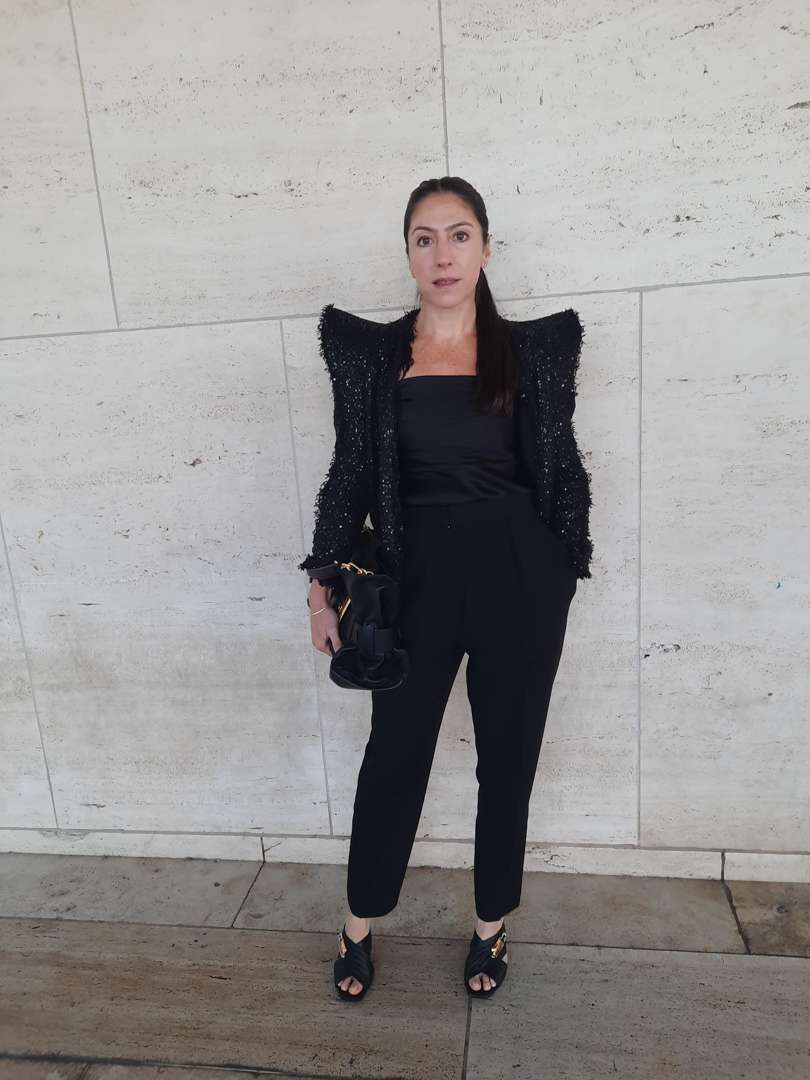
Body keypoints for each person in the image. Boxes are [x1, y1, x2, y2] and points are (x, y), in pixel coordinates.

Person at [301, 176, 593, 1001]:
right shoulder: (374, 359)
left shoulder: (532, 353)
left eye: (459, 235)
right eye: (424, 238)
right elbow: (349, 473)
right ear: (407, 254)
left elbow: (562, 467)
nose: (443, 254)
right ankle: (358, 924)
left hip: (518, 580)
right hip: (416, 580)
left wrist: (559, 567)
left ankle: (491, 924)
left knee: (508, 760)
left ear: (486, 248)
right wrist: (322, 590)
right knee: (394, 758)